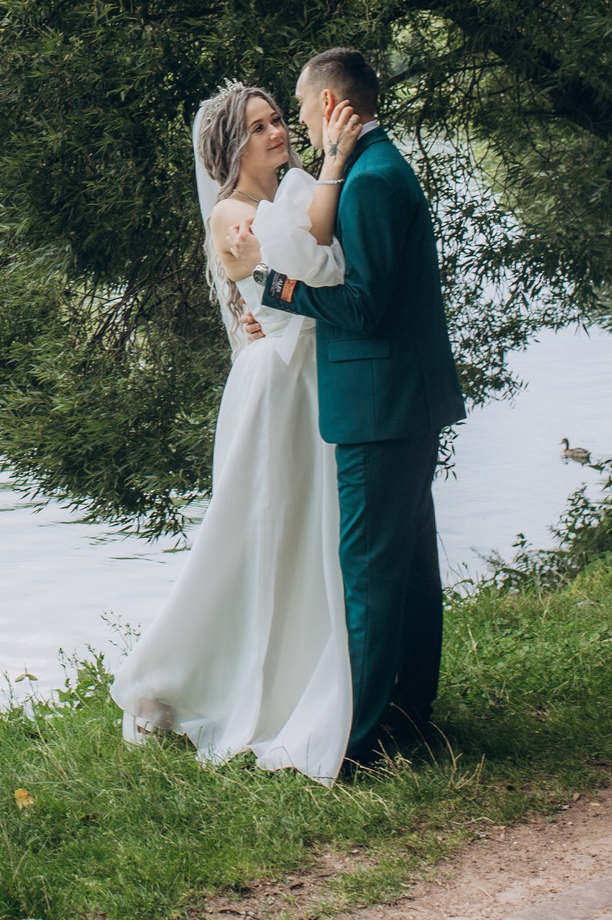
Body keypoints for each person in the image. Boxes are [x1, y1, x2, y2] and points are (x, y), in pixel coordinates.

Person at [109, 79, 356, 780]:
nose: (276, 130)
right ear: (229, 147)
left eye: (278, 118)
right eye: (257, 127)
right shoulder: (231, 214)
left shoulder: (286, 199)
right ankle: (181, 679)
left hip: (308, 374)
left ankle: (303, 677)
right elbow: (269, 270)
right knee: (255, 537)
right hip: (274, 384)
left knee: (309, 537)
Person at [234, 46, 467, 766]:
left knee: (368, 572)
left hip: (379, 403)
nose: (298, 124)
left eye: (301, 108)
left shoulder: (369, 181)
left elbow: (362, 308)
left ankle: (359, 741)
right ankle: (408, 710)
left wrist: (279, 291)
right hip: (402, 398)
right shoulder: (376, 168)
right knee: (410, 566)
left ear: (333, 104)